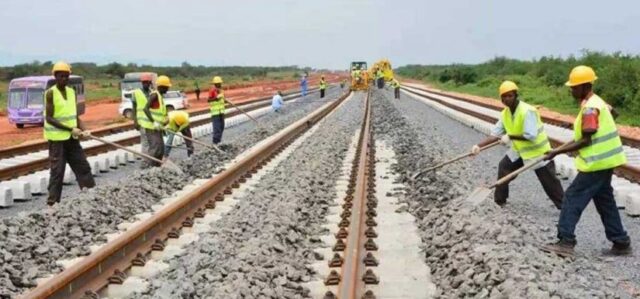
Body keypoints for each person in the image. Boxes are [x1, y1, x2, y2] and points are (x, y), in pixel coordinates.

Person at [541, 66, 631, 257]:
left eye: (574, 87)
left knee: (572, 197)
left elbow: (585, 139)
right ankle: (621, 242)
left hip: (596, 163)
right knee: (605, 201)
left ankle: (566, 241)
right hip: (606, 161)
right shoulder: (597, 102)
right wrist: (557, 150)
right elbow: (614, 113)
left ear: (585, 86)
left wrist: (556, 152)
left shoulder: (591, 108)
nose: (571, 91)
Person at [472, 81, 563, 209]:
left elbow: (530, 135)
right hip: (519, 151)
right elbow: (494, 134)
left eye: (510, 95)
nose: (507, 99)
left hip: (538, 152)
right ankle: (499, 202)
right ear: (501, 98)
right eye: (504, 96)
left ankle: (564, 208)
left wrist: (510, 136)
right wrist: (478, 146)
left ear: (516, 95)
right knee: (504, 167)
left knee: (550, 183)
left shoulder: (527, 111)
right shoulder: (505, 113)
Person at [44, 61, 95, 206]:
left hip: (72, 139)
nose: (64, 79)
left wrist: (84, 129)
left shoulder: (72, 93)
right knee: (57, 172)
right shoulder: (50, 93)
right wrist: (70, 129)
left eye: (66, 76)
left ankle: (91, 196)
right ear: (55, 76)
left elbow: (75, 116)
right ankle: (52, 204)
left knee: (83, 167)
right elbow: (49, 118)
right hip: (57, 140)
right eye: (61, 76)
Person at [139, 75, 170, 168]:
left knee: (161, 149)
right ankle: (150, 169)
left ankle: (157, 167)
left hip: (157, 128)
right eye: (167, 87)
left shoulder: (160, 96)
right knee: (155, 148)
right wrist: (154, 122)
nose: (168, 89)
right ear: (162, 86)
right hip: (151, 127)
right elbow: (145, 109)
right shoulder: (155, 95)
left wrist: (163, 125)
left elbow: (160, 114)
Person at [132, 73, 154, 156]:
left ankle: (151, 161)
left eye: (147, 82)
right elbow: (134, 108)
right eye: (143, 82)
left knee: (152, 143)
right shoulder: (136, 93)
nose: (145, 84)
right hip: (142, 123)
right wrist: (135, 121)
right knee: (145, 144)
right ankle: (145, 162)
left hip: (151, 122)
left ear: (150, 83)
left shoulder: (152, 93)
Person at [208, 76, 226, 144]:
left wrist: (225, 101)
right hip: (215, 113)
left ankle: (218, 141)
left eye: (220, 83)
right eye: (218, 83)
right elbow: (208, 100)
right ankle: (215, 143)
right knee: (217, 129)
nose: (220, 84)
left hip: (221, 112)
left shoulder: (222, 91)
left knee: (222, 127)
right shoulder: (212, 91)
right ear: (215, 84)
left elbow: (223, 99)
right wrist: (215, 99)